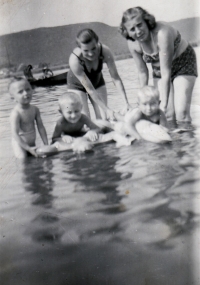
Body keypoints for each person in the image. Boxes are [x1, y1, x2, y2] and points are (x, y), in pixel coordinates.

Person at [119, 7, 198, 122]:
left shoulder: (161, 34)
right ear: (127, 32)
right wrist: (142, 99)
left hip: (183, 62)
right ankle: (173, 139)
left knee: (181, 113)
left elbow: (166, 73)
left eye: (139, 25)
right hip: (159, 69)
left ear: (147, 22)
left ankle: (186, 139)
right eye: (132, 29)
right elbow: (142, 72)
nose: (138, 31)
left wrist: (164, 104)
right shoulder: (133, 45)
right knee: (168, 116)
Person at [67, 29, 131, 120]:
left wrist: (126, 103)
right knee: (85, 119)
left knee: (103, 117)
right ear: (79, 48)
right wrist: (107, 109)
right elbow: (90, 89)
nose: (91, 53)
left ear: (98, 43)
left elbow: (115, 78)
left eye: (94, 48)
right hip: (77, 86)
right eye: (86, 50)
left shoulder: (105, 51)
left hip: (97, 81)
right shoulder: (74, 60)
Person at [9, 77, 48, 158]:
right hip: (19, 144)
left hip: (31, 142)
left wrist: (46, 144)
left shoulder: (35, 109)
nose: (25, 93)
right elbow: (15, 134)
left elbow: (41, 127)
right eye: (20, 92)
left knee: (37, 161)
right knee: (23, 160)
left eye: (28, 89)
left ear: (32, 90)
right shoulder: (16, 113)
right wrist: (28, 149)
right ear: (13, 98)